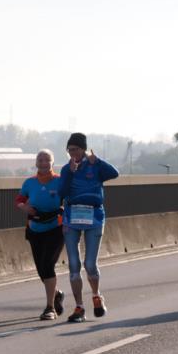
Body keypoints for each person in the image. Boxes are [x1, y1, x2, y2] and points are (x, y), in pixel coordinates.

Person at [57, 133, 119, 323]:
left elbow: (114, 174)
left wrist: (98, 161)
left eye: (75, 149)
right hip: (72, 218)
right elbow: (62, 192)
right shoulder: (67, 169)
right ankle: (79, 307)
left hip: (94, 217)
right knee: (74, 265)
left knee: (90, 264)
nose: (72, 153)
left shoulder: (95, 165)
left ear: (83, 149)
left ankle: (96, 296)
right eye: (69, 150)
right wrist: (70, 172)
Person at [16, 149, 66, 320]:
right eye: (40, 159)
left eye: (47, 159)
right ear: (36, 162)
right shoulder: (29, 182)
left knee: (47, 264)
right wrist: (24, 207)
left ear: (53, 162)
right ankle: (57, 294)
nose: (43, 162)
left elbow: (70, 198)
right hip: (35, 229)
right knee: (40, 270)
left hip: (55, 229)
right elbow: (20, 200)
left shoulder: (60, 181)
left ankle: (50, 307)